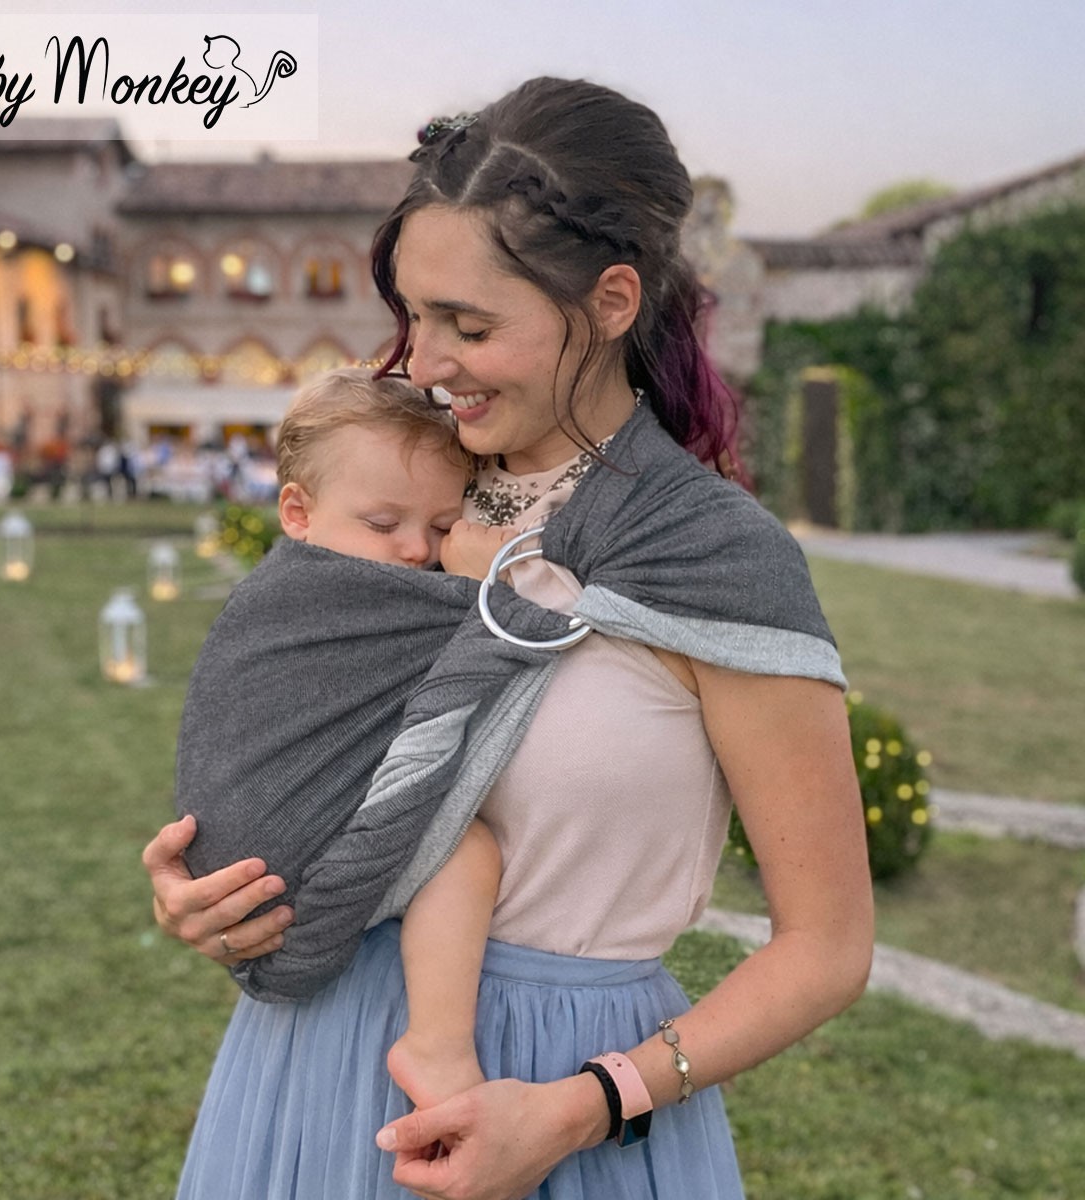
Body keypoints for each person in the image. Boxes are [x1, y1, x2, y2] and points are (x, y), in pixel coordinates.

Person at [143, 76, 873, 1200]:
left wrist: (589, 1106)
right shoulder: (404, 500)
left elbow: (827, 950)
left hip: (553, 1096)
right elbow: (313, 734)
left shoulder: (713, 555)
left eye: (469, 325)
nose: (424, 363)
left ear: (613, 300)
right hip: (312, 1050)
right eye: (415, 316)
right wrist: (231, 886)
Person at [174, 365, 509, 1108]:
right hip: (264, 873)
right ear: (297, 512)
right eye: (384, 525)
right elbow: (236, 714)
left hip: (253, 892)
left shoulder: (363, 577)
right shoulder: (290, 602)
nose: (417, 551)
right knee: (470, 850)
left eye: (444, 527)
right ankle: (440, 1045)